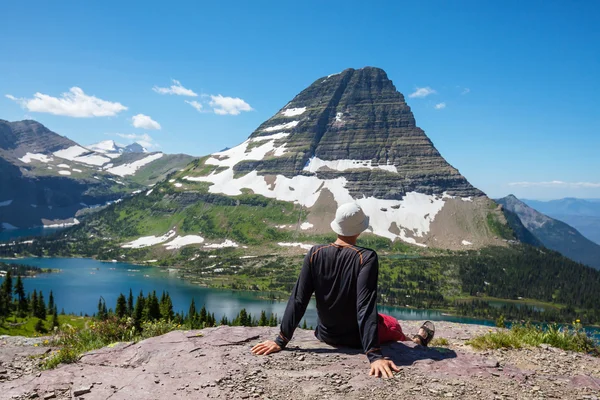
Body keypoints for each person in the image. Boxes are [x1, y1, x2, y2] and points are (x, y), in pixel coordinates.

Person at [251, 202, 435, 378]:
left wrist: (281, 340)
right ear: (359, 228)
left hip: (325, 335)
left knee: (385, 321)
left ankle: (415, 340)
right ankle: (417, 341)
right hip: (357, 341)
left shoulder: (314, 253)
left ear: (336, 226)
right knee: (392, 323)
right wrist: (374, 355)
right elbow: (365, 306)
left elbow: (299, 299)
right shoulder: (366, 257)